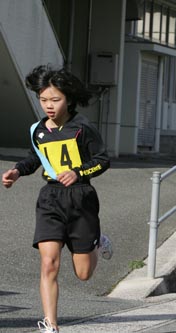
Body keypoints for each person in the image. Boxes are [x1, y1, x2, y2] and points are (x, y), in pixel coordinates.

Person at [1, 65, 113, 333]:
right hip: (50, 199)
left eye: (55, 99)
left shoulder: (82, 127)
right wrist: (17, 171)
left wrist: (78, 173)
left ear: (69, 98)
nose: (48, 106)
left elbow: (103, 160)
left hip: (81, 198)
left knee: (83, 274)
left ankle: (99, 241)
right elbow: (34, 158)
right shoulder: (38, 130)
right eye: (43, 100)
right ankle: (51, 325)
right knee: (49, 262)